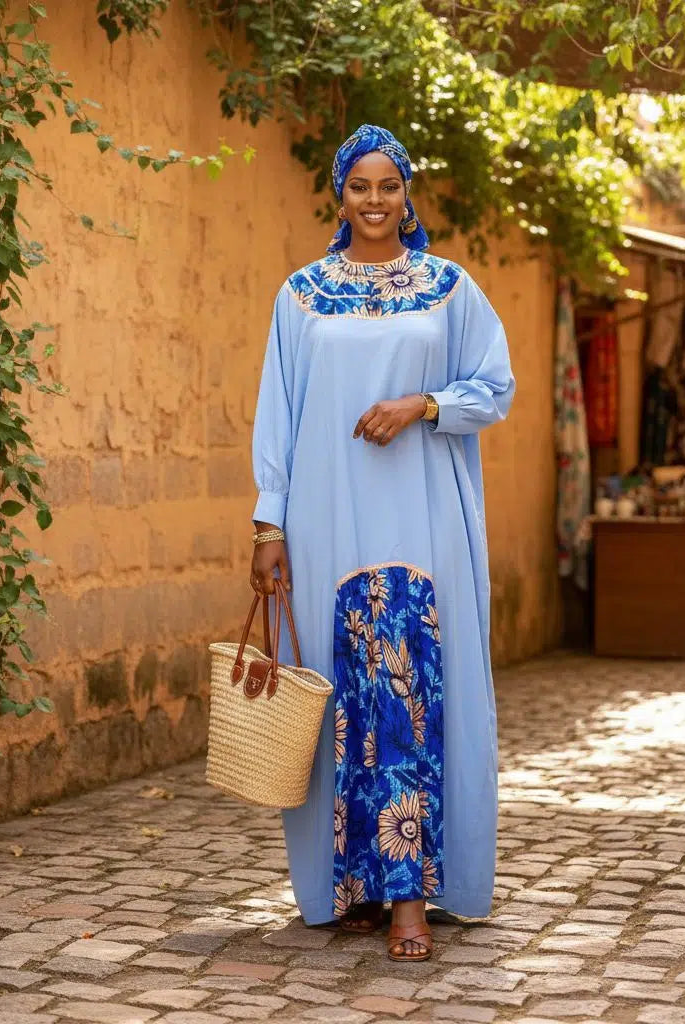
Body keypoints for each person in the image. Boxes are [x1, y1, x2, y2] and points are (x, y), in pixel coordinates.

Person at [248, 124, 515, 962]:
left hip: (420, 516)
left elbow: (494, 386)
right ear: (341, 195)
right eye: (359, 186)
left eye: (388, 186)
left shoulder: (448, 288)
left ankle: (410, 898)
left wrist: (422, 406)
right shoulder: (301, 296)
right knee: (342, 695)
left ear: (407, 194)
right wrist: (268, 521)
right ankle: (353, 886)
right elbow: (279, 416)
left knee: (410, 688)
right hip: (326, 517)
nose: (374, 201)